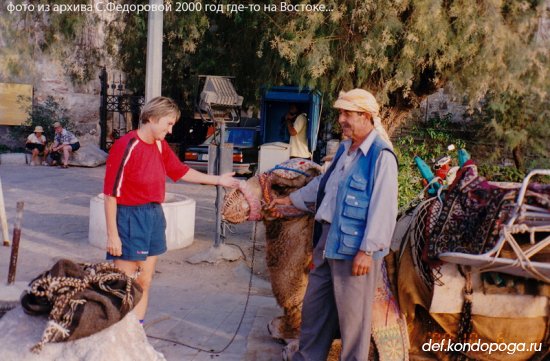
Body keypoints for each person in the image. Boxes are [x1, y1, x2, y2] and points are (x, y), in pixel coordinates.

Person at [269, 89, 398, 361]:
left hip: (355, 250)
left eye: (346, 114)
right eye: (340, 113)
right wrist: (287, 201)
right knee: (314, 312)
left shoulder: (380, 155)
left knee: (353, 326)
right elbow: (322, 187)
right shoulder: (344, 149)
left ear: (365, 116)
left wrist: (368, 250)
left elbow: (383, 207)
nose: (340, 119)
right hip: (327, 242)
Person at [103, 96, 240, 325]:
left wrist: (219, 180)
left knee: (145, 280)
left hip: (154, 215)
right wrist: (112, 235)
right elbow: (110, 195)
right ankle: (116, 335)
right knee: (124, 284)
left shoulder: (159, 145)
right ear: (152, 119)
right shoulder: (126, 146)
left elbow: (181, 171)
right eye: (168, 123)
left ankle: (137, 332)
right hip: (130, 217)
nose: (170, 129)